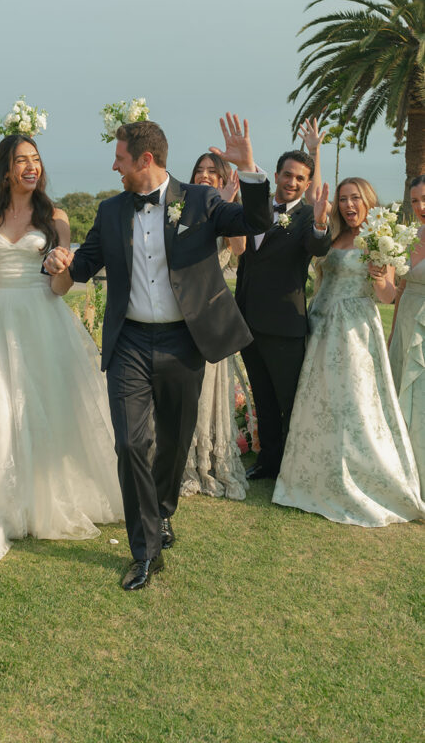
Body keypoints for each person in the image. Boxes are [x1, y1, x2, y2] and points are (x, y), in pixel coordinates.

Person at [48, 114, 272, 590]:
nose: (114, 166)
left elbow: (255, 220)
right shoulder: (110, 212)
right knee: (131, 443)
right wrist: (59, 261)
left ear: (145, 159)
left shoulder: (201, 200)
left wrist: (249, 166)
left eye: (120, 158)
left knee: (172, 440)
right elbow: (83, 266)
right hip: (128, 341)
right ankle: (145, 551)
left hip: (183, 341)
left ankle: (163, 509)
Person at [0, 136, 123, 565]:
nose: (31, 167)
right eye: (21, 161)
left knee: (43, 407)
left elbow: (59, 286)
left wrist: (65, 267)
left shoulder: (56, 217)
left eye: (35, 159)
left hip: (41, 317)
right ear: (6, 168)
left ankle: (43, 499)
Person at [273, 178, 424, 525]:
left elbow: (387, 296)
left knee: (354, 403)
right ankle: (310, 476)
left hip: (355, 329)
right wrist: (314, 152)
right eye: (343, 199)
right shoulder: (333, 237)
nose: (348, 204)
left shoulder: (378, 240)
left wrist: (379, 277)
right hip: (321, 324)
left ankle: (362, 478)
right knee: (318, 400)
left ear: (367, 200)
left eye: (355, 198)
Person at [235, 142, 331, 481]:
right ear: (276, 175)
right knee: (262, 399)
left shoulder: (308, 216)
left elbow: (317, 245)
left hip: (284, 326)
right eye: (287, 174)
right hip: (248, 322)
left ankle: (295, 467)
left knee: (289, 401)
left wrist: (320, 223)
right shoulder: (254, 210)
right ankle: (268, 463)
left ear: (306, 184)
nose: (292, 182)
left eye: (300, 178)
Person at [179, 152, 249, 501]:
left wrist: (230, 206)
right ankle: (180, 460)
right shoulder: (179, 210)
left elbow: (239, 249)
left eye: (212, 172)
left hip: (211, 310)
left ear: (223, 179)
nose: (205, 176)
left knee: (208, 389)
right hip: (179, 309)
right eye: (199, 170)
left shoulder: (227, 212)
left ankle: (205, 460)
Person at [388, 174, 425, 497]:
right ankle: (402, 474)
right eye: (414, 200)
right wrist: (392, 332)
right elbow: (399, 289)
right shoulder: (411, 236)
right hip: (405, 325)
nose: (421, 206)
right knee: (402, 398)